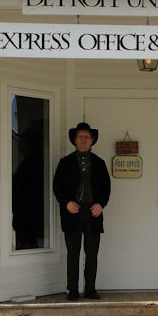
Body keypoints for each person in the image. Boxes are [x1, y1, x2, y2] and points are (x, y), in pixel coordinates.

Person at [53, 122, 111, 301]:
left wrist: (101, 204)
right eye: (80, 137)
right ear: (75, 140)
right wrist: (67, 202)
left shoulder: (99, 163)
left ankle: (90, 289)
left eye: (86, 137)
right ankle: (72, 290)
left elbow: (106, 188)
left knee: (92, 254)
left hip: (93, 213)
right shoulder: (65, 162)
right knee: (73, 253)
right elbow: (57, 187)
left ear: (92, 140)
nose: (83, 140)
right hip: (72, 213)